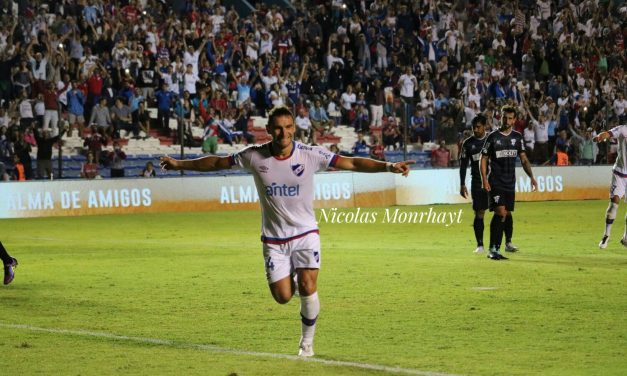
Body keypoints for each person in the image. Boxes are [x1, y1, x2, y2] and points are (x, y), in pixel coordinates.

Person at [159, 106, 414, 357]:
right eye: (278, 128)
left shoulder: (311, 154)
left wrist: (388, 167)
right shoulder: (254, 156)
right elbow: (216, 162)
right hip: (274, 239)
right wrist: (179, 163)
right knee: (282, 297)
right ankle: (292, 279)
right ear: (269, 130)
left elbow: (352, 162)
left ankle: (306, 343)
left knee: (308, 285)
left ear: (295, 128)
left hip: (305, 234)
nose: (284, 133)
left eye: (288, 127)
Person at [480, 105, 538, 260]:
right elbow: (483, 158)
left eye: (510, 118)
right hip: (495, 182)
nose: (507, 120)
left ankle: (507, 243)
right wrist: (484, 179)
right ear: (500, 117)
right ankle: (493, 249)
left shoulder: (517, 138)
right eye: (504, 117)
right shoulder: (492, 137)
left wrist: (531, 177)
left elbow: (524, 159)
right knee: (500, 212)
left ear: (514, 120)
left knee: (507, 214)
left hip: (510, 183)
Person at [593, 124, 627, 249]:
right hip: (619, 174)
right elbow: (608, 133)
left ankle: (626, 238)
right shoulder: (623, 129)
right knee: (613, 205)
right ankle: (606, 236)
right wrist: (600, 137)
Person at [460, 114, 489, 253]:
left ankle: (505, 242)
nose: (475, 130)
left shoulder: (492, 140)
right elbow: (463, 165)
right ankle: (480, 245)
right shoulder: (467, 144)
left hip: (494, 181)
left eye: (478, 127)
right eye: (473, 127)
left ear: (484, 126)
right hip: (477, 183)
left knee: (502, 211)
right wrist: (462, 184)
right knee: (479, 213)